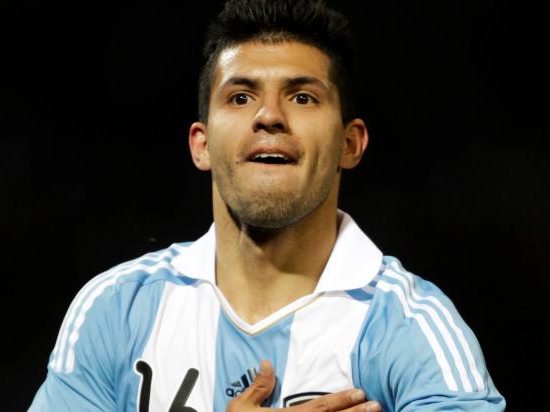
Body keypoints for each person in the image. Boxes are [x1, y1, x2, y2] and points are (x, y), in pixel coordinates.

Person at [29, 0, 505, 410]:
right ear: (201, 145)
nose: (269, 116)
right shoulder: (116, 308)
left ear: (349, 144)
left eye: (303, 97)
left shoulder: (412, 328)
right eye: (240, 97)